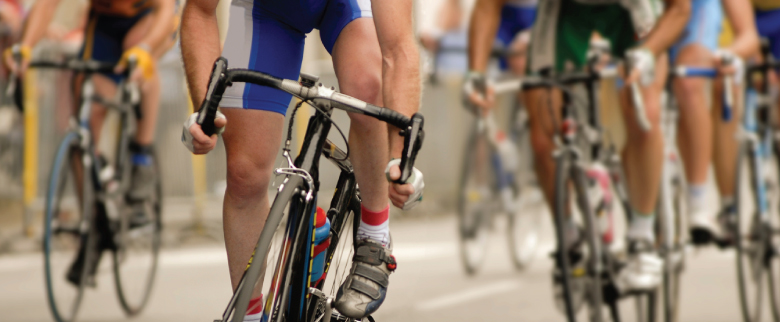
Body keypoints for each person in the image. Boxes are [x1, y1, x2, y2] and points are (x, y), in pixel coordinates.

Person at [179, 0, 423, 320]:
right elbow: (199, 10)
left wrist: (400, 158)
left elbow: (398, 47)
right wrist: (205, 109)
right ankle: (250, 314)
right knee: (244, 174)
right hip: (269, 11)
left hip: (349, 7)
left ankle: (374, 239)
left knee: (367, 86)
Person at [466, 0, 690, 298]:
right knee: (544, 136)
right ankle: (568, 237)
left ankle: (642, 238)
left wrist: (648, 54)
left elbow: (680, 8)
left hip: (633, 11)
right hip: (565, 12)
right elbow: (487, 6)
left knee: (644, 111)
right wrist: (475, 73)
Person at [5, 0, 176, 285]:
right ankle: (95, 222)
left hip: (149, 18)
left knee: (140, 63)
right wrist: (26, 47)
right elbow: (47, 5)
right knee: (85, 125)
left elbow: (166, 8)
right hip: (106, 24)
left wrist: (146, 51)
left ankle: (141, 156)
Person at [669, 0, 758, 245]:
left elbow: (748, 33)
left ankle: (713, 202)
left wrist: (731, 54)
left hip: (698, 18)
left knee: (700, 83)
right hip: (651, 18)